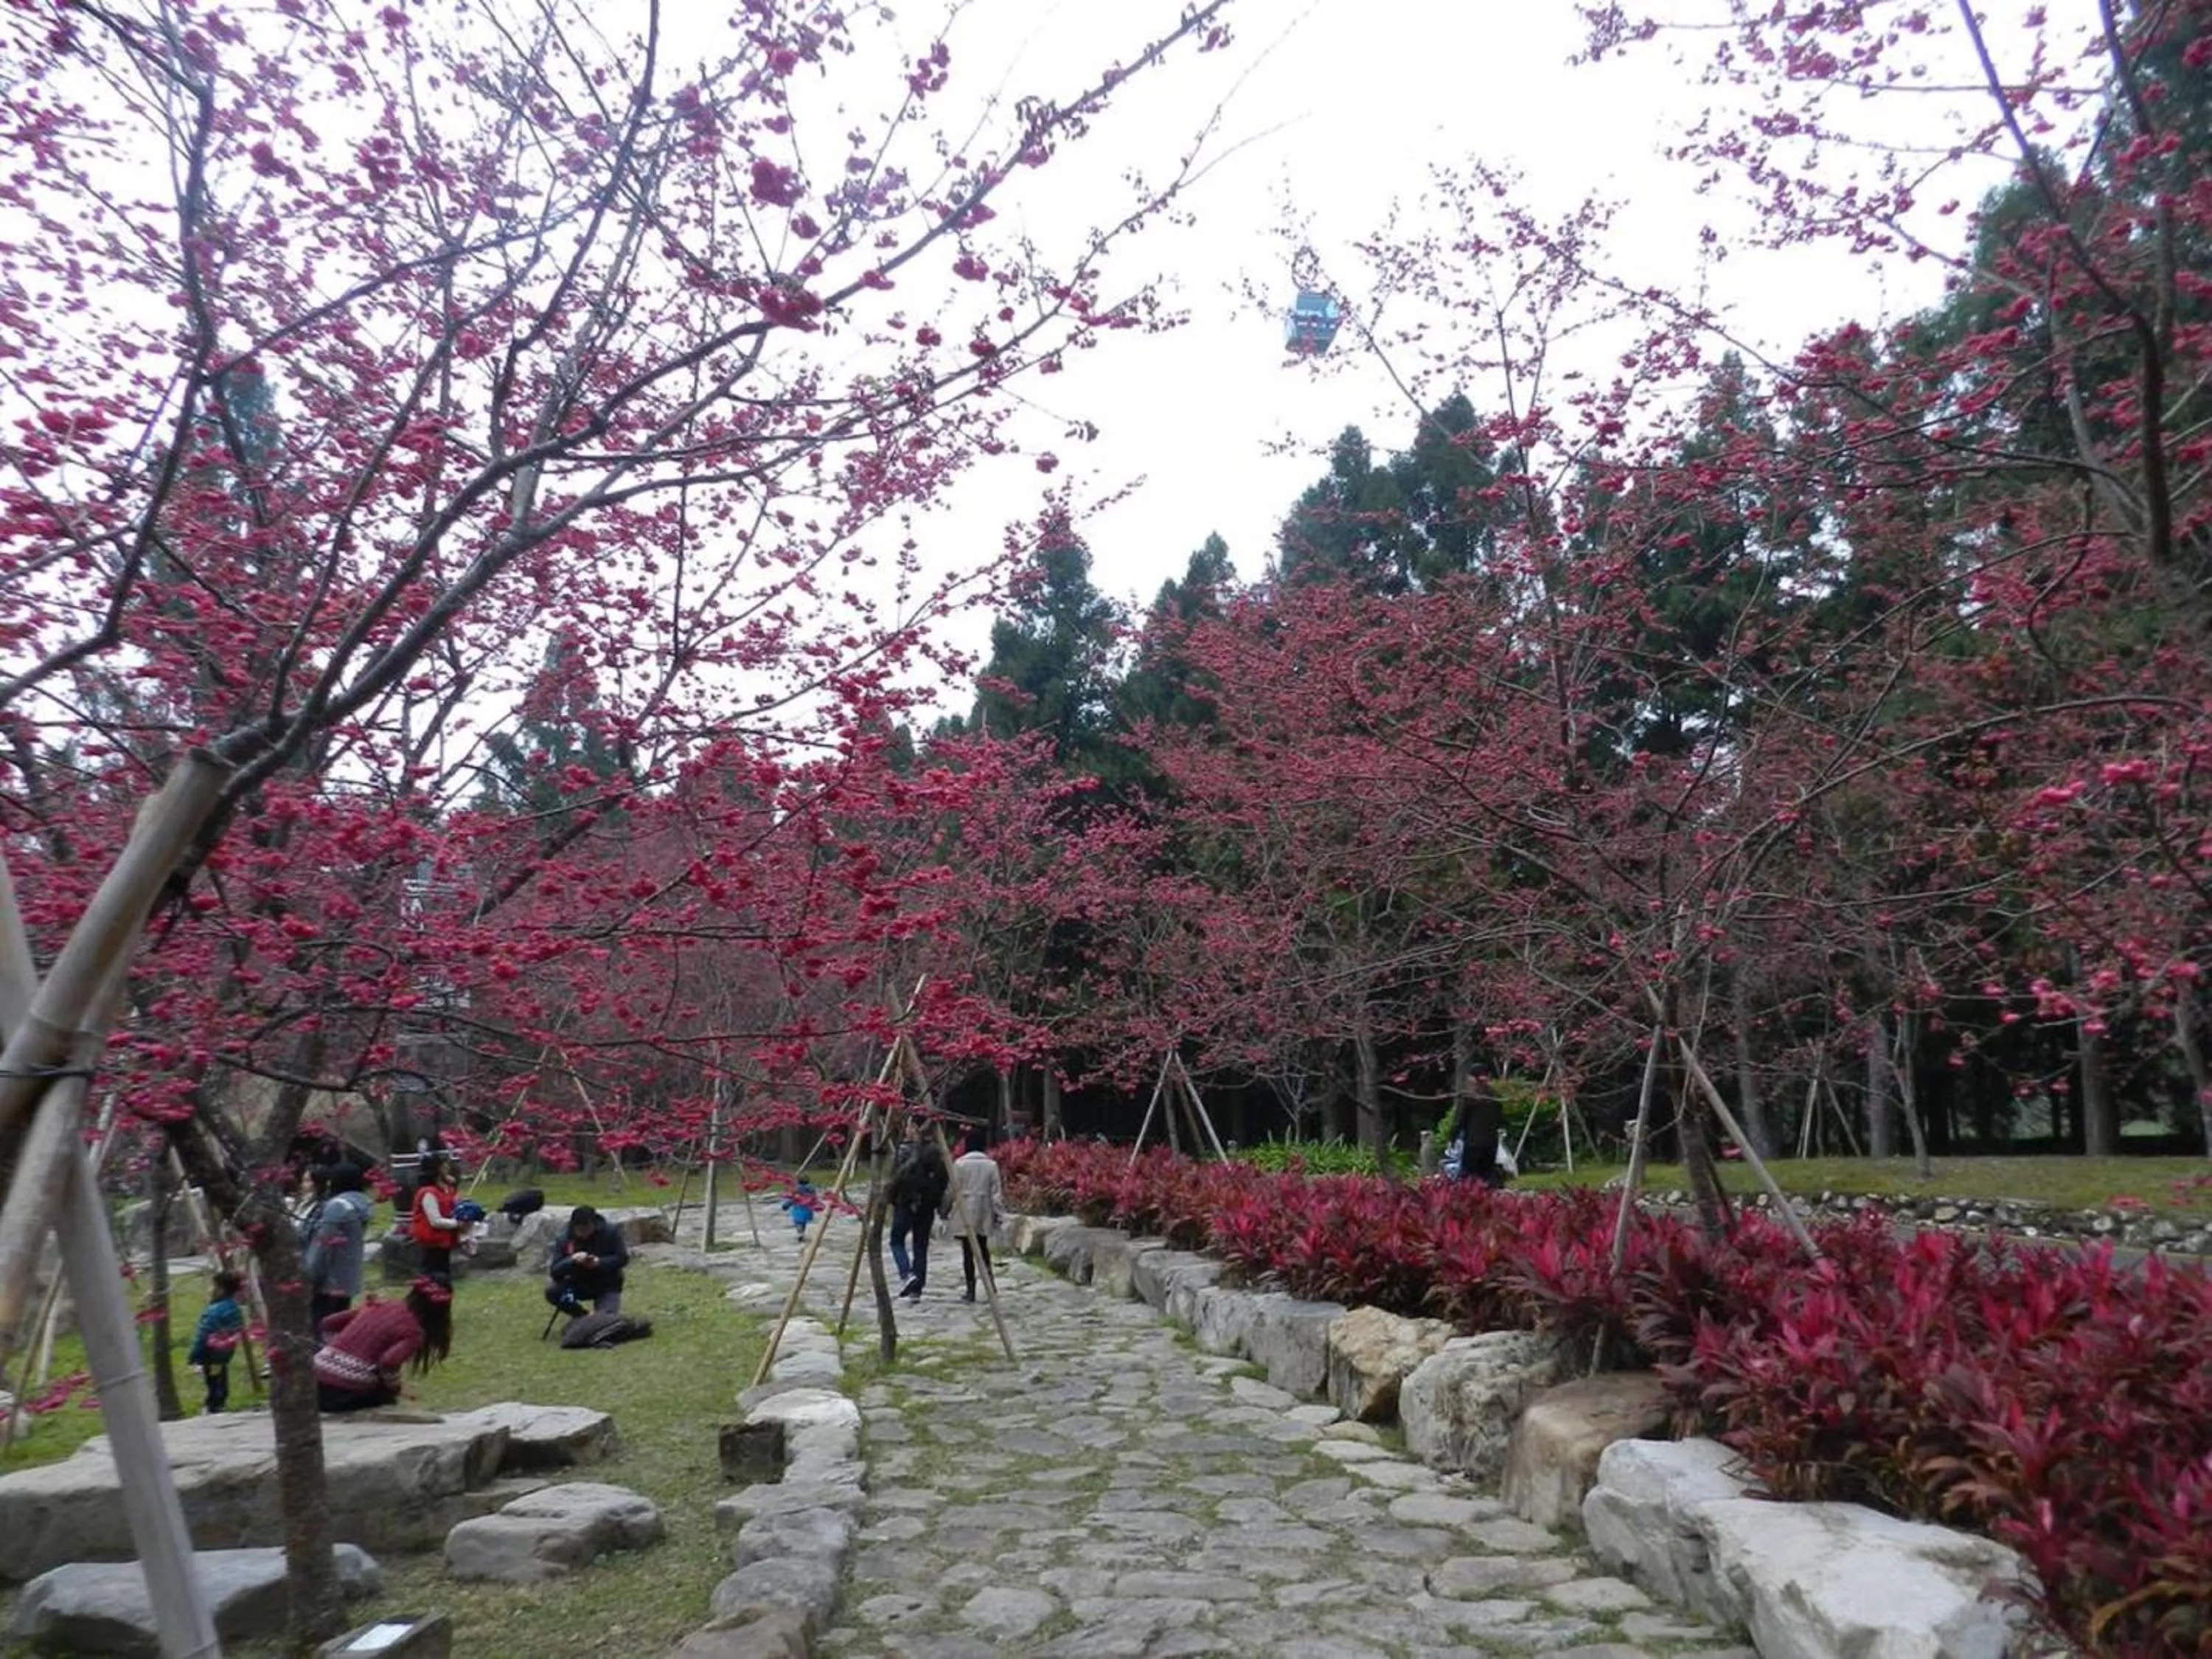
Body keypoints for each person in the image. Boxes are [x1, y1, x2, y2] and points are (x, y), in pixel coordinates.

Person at [314, 1278, 451, 1412]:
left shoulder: (380, 1305)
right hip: (342, 1392)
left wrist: (334, 1352)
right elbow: (388, 1362)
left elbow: (328, 1323)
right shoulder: (413, 1331)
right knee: (384, 1394)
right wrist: (396, 1388)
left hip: (314, 1378)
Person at [300, 1162, 375, 1336]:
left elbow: (322, 1245)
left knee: (321, 1327)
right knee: (338, 1327)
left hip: (327, 1279)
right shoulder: (360, 1205)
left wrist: (308, 1275)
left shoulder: (338, 1207)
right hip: (347, 1278)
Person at [886, 1120, 950, 1301]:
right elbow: (943, 1181)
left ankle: (907, 1274)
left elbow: (896, 1179)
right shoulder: (938, 1153)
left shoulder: (904, 1152)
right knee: (920, 1246)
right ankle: (917, 1289)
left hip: (906, 1202)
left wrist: (891, 1198)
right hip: (927, 1205)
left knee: (896, 1240)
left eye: (909, 1126)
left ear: (915, 1129)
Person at [944, 1127, 1005, 1304]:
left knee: (967, 1253)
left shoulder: (960, 1164)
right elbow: (996, 1194)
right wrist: (999, 1214)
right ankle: (990, 1285)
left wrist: (945, 1209)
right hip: (984, 1210)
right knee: (984, 1249)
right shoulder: (991, 1165)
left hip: (964, 1211)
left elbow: (952, 1190)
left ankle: (970, 1291)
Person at [545, 1205, 630, 1316]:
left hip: (607, 1285)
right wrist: (571, 1261)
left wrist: (600, 1263)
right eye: (579, 1230)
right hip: (577, 1286)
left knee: (605, 1319)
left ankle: (601, 1314)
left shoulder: (610, 1232)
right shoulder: (564, 1238)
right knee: (554, 1292)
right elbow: (555, 1271)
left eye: (587, 1229)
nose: (583, 1234)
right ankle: (582, 1315)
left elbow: (622, 1258)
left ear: (594, 1224)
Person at [187, 1270, 246, 1413]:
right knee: (219, 1373)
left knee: (213, 1378)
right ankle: (220, 1400)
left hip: (211, 1351)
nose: (210, 1289)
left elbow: (203, 1333)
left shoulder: (214, 1310)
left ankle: (214, 1404)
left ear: (220, 1290)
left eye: (212, 1286)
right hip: (225, 1350)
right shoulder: (234, 1307)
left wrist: (194, 1354)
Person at [408, 1150, 463, 1279]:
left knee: (443, 1270)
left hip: (444, 1240)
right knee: (433, 1273)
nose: (447, 1167)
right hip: (432, 1239)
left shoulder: (446, 1189)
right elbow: (435, 1220)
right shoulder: (428, 1192)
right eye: (444, 1165)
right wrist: (457, 1224)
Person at [782, 1178, 819, 1243]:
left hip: (798, 1210)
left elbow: (792, 1200)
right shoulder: (811, 1190)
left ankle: (800, 1234)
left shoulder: (797, 1190)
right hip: (808, 1210)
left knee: (798, 1223)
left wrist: (785, 1206)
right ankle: (802, 1233)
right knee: (803, 1223)